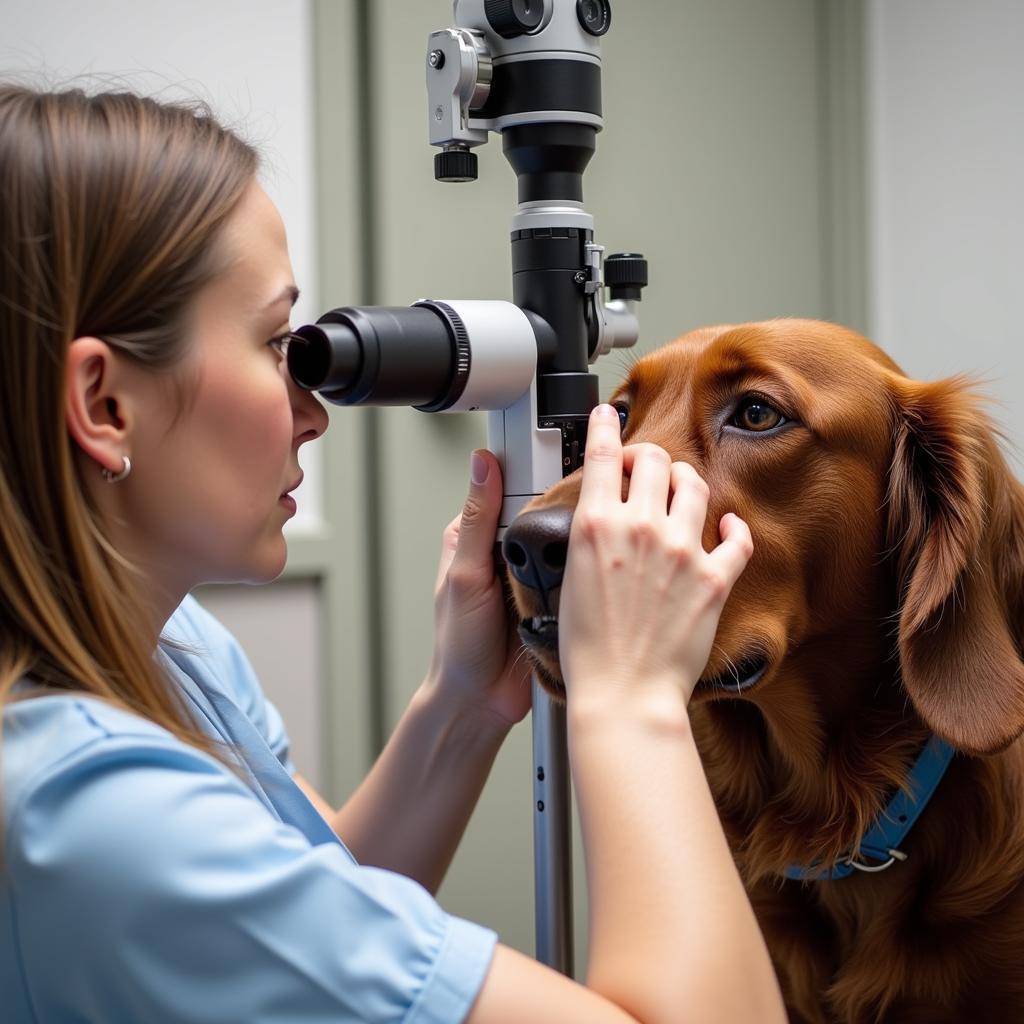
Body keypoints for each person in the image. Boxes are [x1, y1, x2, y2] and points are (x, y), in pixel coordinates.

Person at [0, 85, 785, 1023]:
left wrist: (460, 703)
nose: (313, 410)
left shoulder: (177, 646)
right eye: (272, 340)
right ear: (103, 403)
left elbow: (307, 916)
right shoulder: (85, 818)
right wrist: (633, 698)